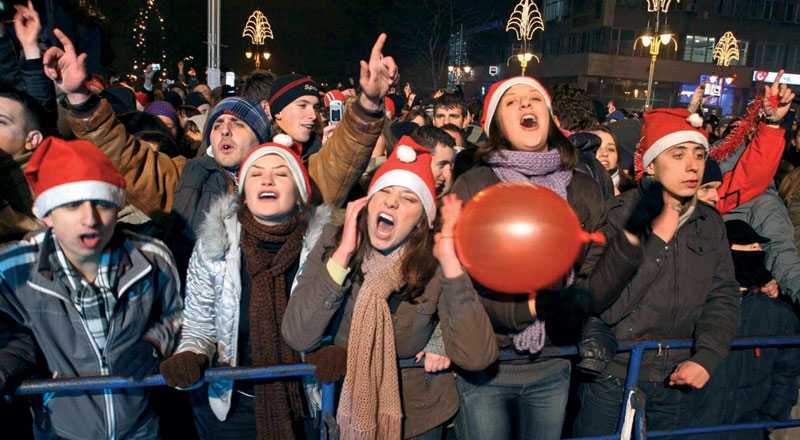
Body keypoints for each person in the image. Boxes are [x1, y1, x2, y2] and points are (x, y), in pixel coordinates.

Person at [450, 76, 639, 440]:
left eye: (534, 98)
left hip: (553, 362)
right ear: (495, 125)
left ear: (549, 117)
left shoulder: (582, 188)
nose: (525, 105)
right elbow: (457, 278)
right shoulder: (474, 185)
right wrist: (526, 310)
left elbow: (593, 269)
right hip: (488, 363)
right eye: (512, 102)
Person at [282, 137, 498, 439]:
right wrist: (342, 257)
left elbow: (477, 356)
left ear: (422, 219)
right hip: (345, 411)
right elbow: (297, 334)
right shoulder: (335, 239)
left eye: (409, 198)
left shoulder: (435, 258)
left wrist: (450, 262)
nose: (392, 202)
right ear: (368, 203)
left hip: (419, 416)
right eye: (384, 191)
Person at [0, 137, 183, 439]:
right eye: (72, 205)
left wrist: (156, 342)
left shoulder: (151, 256)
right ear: (46, 214)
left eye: (102, 203)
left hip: (141, 426)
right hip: (60, 430)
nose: (91, 219)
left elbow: (180, 315)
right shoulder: (13, 268)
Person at [574, 108, 741, 437]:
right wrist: (654, 245)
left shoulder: (709, 222)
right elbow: (602, 306)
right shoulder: (616, 216)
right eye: (677, 155)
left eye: (699, 154)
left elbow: (723, 297)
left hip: (679, 378)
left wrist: (706, 357)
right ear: (650, 164)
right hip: (616, 374)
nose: (693, 165)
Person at [160, 140, 319, 439]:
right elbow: (199, 326)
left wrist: (326, 351)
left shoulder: (321, 249)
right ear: (244, 193)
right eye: (256, 174)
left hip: (305, 402)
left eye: (281, 174)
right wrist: (192, 355)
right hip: (234, 404)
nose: (267, 180)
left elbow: (331, 322)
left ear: (300, 193)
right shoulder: (214, 247)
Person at [689, 220, 800, 440]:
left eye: (759, 249)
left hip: (749, 430)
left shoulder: (777, 313)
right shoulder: (691, 305)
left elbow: (787, 371)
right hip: (692, 428)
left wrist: (770, 418)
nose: (758, 252)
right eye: (750, 247)